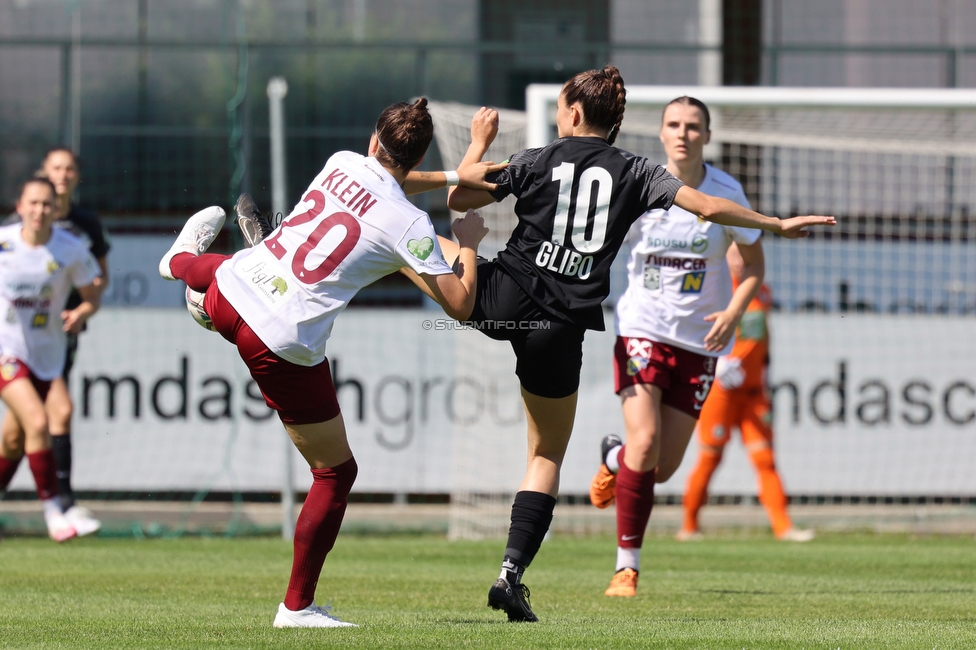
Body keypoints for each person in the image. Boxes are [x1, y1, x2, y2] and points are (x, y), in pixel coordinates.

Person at [424, 72, 833, 621]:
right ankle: (510, 575)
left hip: (504, 296)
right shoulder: (639, 172)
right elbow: (709, 210)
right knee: (545, 455)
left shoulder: (537, 157)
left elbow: (460, 194)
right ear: (620, 125)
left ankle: (364, 234)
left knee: (417, 244)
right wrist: (774, 223)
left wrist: (478, 143)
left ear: (568, 113)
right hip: (560, 326)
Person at [158, 98, 500, 628]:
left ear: (372, 141)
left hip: (235, 288)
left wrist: (455, 172)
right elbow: (458, 303)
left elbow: (386, 182)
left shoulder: (341, 162)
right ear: (415, 155)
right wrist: (471, 242)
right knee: (335, 473)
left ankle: (182, 265)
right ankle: (295, 609)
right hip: (281, 341)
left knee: (231, 278)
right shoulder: (408, 223)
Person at [587, 95, 787, 598]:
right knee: (647, 443)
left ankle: (615, 460)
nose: (683, 133)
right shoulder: (638, 186)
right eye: (673, 124)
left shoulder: (726, 192)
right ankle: (625, 568)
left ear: (707, 136)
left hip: (699, 341)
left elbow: (755, 267)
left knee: (658, 468)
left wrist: (735, 312)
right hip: (641, 329)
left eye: (693, 126)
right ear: (660, 134)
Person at [1, 148, 110, 537]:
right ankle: (54, 511)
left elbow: (93, 293)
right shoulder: (4, 244)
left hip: (48, 354)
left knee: (13, 437)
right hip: (6, 352)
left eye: (46, 204)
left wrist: (83, 312)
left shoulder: (70, 247)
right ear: (20, 206)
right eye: (32, 203)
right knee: (37, 419)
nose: (39, 211)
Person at [677, 248, 814, 543]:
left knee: (766, 459)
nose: (739, 260)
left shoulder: (762, 291)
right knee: (710, 457)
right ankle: (688, 526)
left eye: (743, 253)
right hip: (721, 391)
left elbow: (764, 335)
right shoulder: (712, 289)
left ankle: (783, 527)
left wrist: (764, 367)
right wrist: (717, 364)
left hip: (753, 392)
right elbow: (692, 332)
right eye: (733, 254)